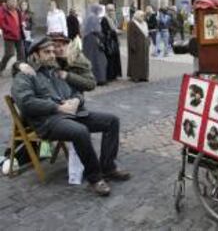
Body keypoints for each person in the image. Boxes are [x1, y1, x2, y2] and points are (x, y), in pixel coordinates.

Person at [11, 37, 130, 196]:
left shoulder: (55, 71)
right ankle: (95, 178)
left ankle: (108, 167)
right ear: (35, 55)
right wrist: (57, 107)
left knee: (112, 121)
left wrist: (76, 100)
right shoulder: (25, 75)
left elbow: (77, 91)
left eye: (53, 51)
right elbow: (26, 103)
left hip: (72, 114)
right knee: (80, 131)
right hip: (48, 121)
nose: (52, 55)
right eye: (47, 52)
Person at [15, 34, 96, 93]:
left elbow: (91, 84)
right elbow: (27, 64)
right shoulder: (48, 59)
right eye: (57, 46)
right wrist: (20, 65)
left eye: (64, 45)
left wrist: (68, 76)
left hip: (76, 99)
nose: (62, 49)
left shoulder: (77, 59)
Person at [83, 4, 107, 85]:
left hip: (87, 40)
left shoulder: (88, 17)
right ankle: (99, 78)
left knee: (90, 58)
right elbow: (97, 30)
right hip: (94, 41)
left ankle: (89, 77)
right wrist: (102, 36)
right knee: (98, 60)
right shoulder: (94, 17)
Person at [0, 0, 25, 76]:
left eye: (15, 1)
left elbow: (20, 20)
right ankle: (1, 68)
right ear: (8, 2)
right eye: (11, 1)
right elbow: (2, 23)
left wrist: (22, 25)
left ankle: (19, 70)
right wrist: (10, 30)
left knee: (21, 53)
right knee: (9, 54)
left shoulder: (17, 10)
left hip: (18, 34)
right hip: (9, 36)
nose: (13, 3)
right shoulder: (2, 10)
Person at [127, 10, 150, 82]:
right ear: (137, 16)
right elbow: (130, 36)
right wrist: (132, 45)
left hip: (144, 45)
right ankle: (135, 76)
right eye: (141, 16)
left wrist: (148, 41)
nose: (143, 17)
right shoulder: (132, 23)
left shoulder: (145, 23)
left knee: (144, 61)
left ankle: (144, 76)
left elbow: (147, 34)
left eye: (143, 16)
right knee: (136, 61)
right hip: (137, 46)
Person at [101, 4, 122, 81]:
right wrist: (115, 32)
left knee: (115, 59)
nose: (112, 12)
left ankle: (114, 74)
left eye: (113, 10)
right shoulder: (104, 19)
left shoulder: (113, 19)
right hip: (109, 43)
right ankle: (109, 76)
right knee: (110, 60)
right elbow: (105, 31)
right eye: (110, 10)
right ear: (106, 11)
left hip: (114, 41)